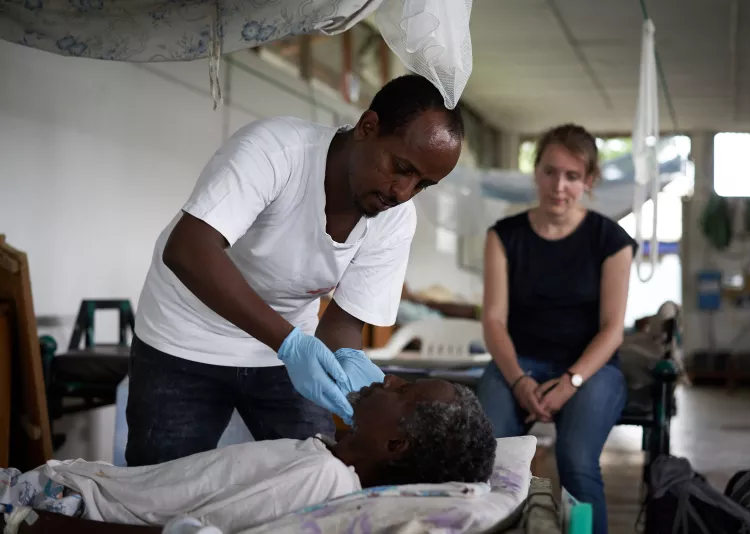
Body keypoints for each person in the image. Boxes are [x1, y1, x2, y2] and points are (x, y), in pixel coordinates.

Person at [126, 74, 465, 467]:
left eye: (423, 185)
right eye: (401, 168)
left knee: (315, 471)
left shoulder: (396, 218)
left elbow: (343, 322)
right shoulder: (276, 152)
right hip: (184, 337)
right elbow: (188, 249)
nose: (403, 193)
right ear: (368, 127)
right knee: (161, 485)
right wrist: (289, 344)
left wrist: (346, 359)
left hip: (284, 352)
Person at [1, 376, 496, 534]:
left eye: (403, 391)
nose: (389, 378)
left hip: (68, 505)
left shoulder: (320, 478)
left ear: (395, 445)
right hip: (76, 491)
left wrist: (36, 522)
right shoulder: (324, 457)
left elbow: (190, 529)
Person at [476, 124, 636, 534]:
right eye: (550, 172)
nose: (558, 186)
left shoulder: (611, 240)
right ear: (536, 172)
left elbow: (612, 329)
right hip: (518, 364)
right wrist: (517, 380)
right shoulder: (504, 236)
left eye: (572, 175)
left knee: (577, 461)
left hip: (591, 369)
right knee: (489, 458)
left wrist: (571, 381)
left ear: (589, 181)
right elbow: (493, 320)